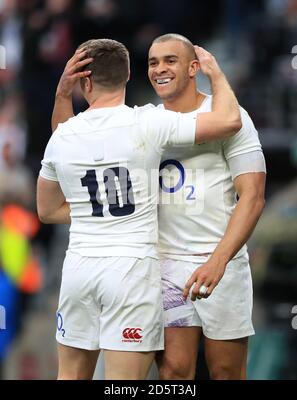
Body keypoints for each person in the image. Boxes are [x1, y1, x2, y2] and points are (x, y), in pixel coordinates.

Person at [37, 38, 241, 380]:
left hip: (79, 270)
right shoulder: (147, 122)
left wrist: (61, 95)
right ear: (128, 75)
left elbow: (46, 209)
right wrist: (215, 76)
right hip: (131, 271)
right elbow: (229, 121)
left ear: (83, 81)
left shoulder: (63, 136)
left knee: (70, 376)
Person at [147, 34, 266, 380]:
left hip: (222, 262)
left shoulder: (231, 115)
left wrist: (218, 260)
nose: (160, 69)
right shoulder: (144, 122)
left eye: (170, 60)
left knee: (227, 373)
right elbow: (67, 135)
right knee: (174, 374)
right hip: (166, 263)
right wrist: (64, 94)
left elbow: (254, 196)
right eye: (153, 62)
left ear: (193, 68)